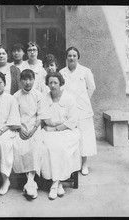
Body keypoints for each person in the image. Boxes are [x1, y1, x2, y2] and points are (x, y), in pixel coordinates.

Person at [41, 72, 81, 200]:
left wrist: (57, 128)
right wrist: (51, 128)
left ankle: (54, 183)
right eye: (50, 83)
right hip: (49, 130)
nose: (52, 85)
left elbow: (72, 121)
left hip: (67, 131)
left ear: (61, 83)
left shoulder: (69, 98)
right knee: (46, 146)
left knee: (60, 147)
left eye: (55, 83)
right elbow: (45, 117)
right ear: (47, 84)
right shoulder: (44, 98)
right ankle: (58, 184)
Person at [59, 46, 96, 176]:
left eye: (74, 55)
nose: (72, 58)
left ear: (78, 57)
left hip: (83, 108)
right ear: (66, 57)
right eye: (69, 55)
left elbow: (91, 87)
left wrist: (83, 99)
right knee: (70, 136)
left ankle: (84, 163)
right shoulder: (62, 72)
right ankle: (71, 164)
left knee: (84, 137)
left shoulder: (85, 71)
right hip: (68, 108)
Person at [13, 69, 49, 199]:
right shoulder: (16, 96)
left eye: (30, 79)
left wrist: (33, 130)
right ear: (20, 81)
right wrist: (20, 129)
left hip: (34, 127)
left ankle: (30, 181)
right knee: (18, 146)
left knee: (35, 146)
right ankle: (30, 182)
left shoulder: (39, 95)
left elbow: (40, 115)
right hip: (20, 128)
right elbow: (14, 115)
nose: (28, 82)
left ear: (34, 80)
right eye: (25, 79)